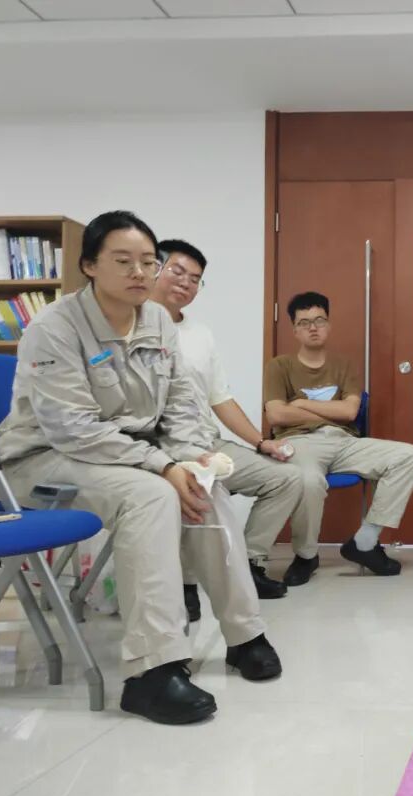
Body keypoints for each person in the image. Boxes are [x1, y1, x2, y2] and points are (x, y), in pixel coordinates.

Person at [0, 211, 282, 725]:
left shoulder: (157, 321)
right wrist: (162, 465)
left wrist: (189, 457)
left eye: (149, 262)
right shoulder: (54, 327)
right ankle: (152, 671)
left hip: (127, 456)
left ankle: (244, 634)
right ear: (89, 265)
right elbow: (72, 428)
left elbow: (181, 403)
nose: (139, 272)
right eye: (123, 261)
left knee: (204, 487)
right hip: (44, 461)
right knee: (152, 495)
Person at [150, 238, 303, 608]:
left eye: (195, 279)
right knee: (195, 488)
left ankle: (248, 564)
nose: (185, 283)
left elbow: (221, 398)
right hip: (159, 448)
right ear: (153, 268)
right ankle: (184, 583)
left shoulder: (200, 334)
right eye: (177, 272)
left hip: (207, 442)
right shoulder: (130, 325)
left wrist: (260, 442)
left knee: (288, 478)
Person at [264, 291, 413, 583]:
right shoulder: (280, 366)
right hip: (300, 443)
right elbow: (275, 415)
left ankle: (365, 542)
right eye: (304, 323)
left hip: (344, 441)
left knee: (411, 456)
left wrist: (300, 404)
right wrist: (328, 412)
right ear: (294, 330)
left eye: (319, 320)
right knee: (309, 481)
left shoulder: (344, 365)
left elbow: (350, 412)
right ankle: (306, 556)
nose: (313, 328)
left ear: (329, 324)